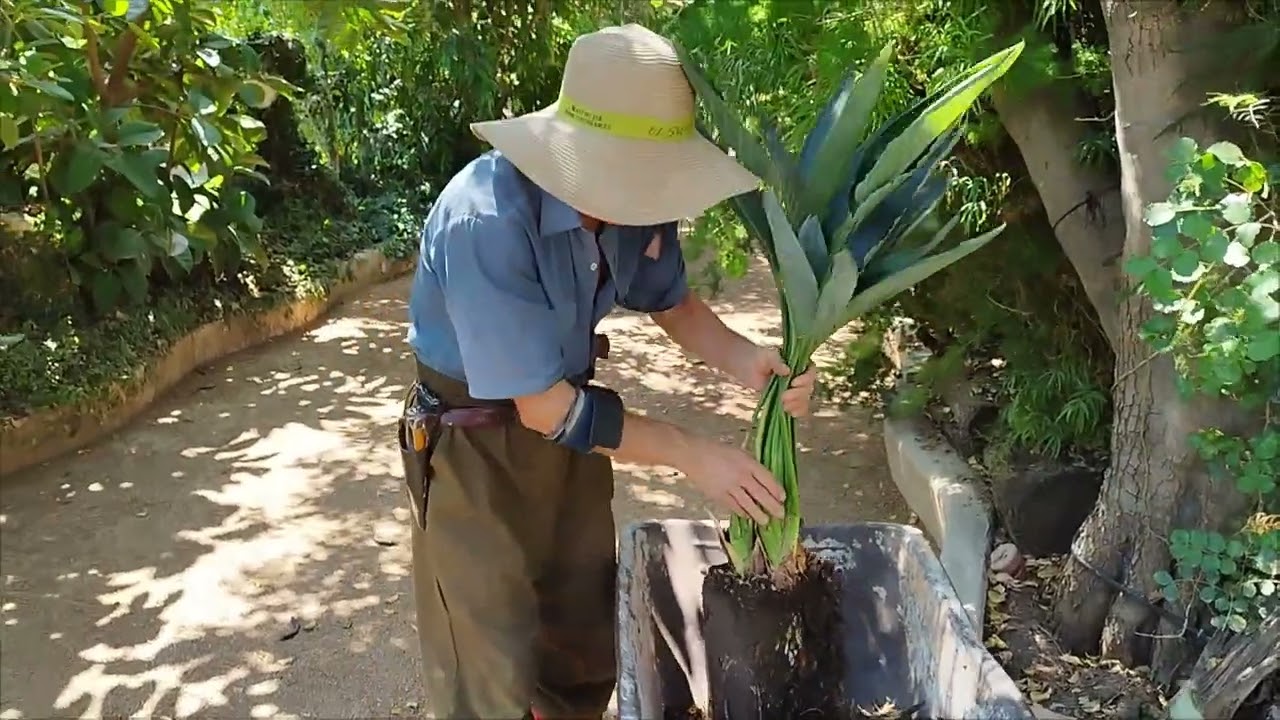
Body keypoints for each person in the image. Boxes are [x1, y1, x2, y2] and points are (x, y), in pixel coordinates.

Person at [400, 23, 817, 720]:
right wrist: (691, 455)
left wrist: (752, 363)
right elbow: (542, 408)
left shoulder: (632, 203)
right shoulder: (486, 222)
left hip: (573, 435)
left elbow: (674, 305)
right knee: (490, 656)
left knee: (583, 638)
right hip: (476, 448)